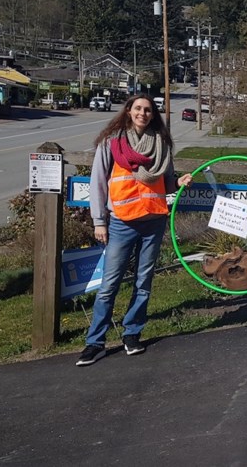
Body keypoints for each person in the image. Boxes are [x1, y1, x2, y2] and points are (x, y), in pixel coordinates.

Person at [77, 94, 192, 367]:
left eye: (148, 110)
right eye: (138, 108)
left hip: (153, 221)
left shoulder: (161, 144)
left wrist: (179, 182)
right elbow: (98, 183)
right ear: (129, 111)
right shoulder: (112, 142)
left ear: (153, 115)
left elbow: (166, 182)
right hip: (121, 222)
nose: (143, 113)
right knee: (109, 285)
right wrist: (99, 221)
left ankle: (132, 334)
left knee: (143, 283)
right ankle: (95, 342)